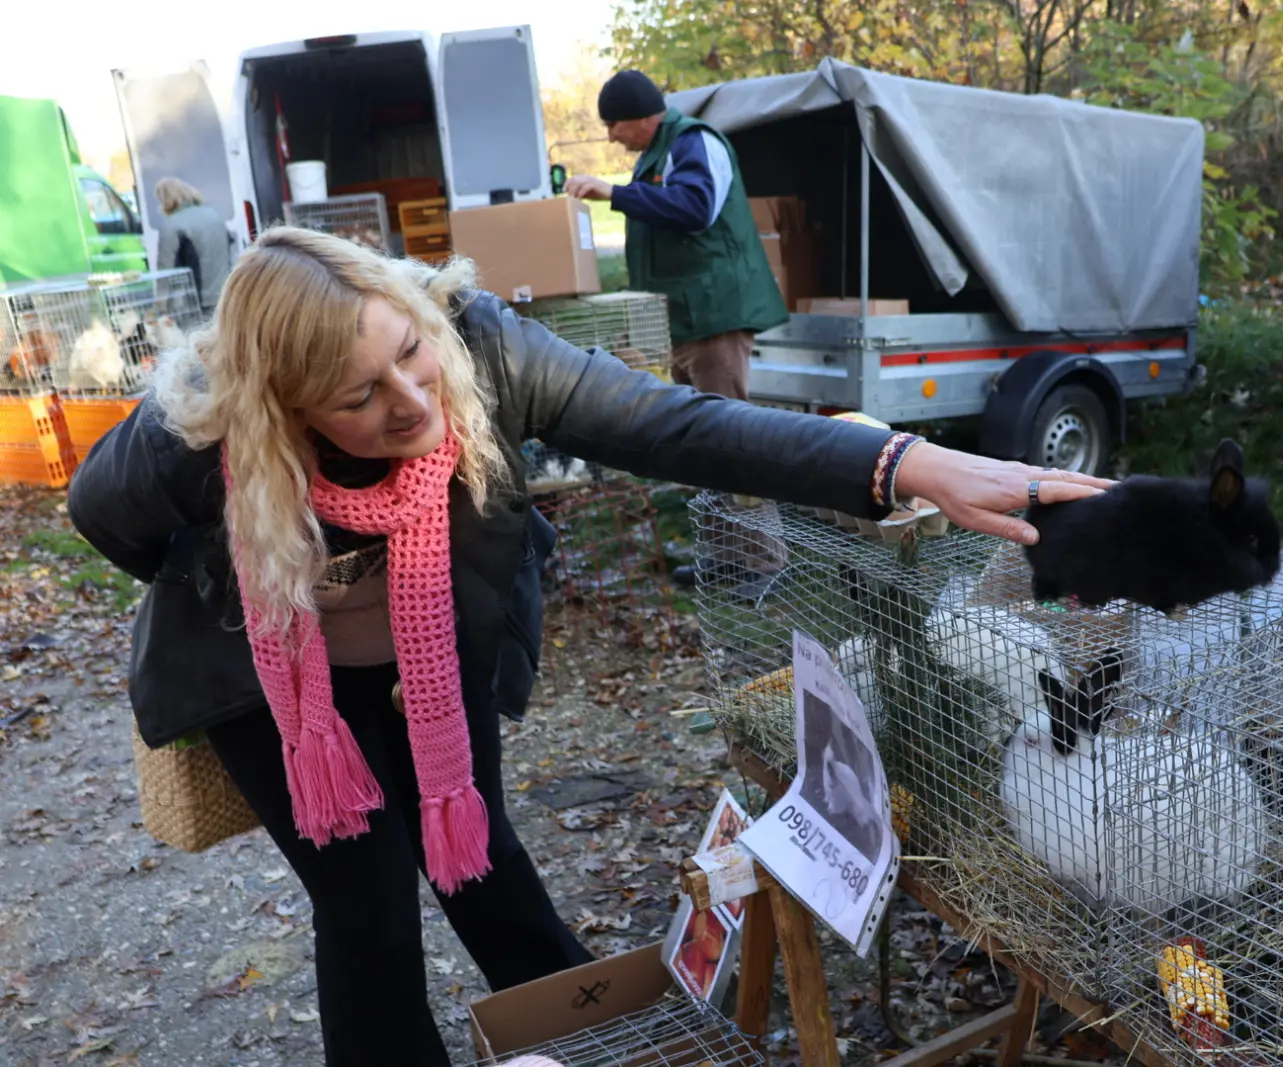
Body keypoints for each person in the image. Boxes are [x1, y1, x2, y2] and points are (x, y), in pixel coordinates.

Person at [67, 226, 1109, 1067]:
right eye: (359, 396)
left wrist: (906, 462)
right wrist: (248, 578)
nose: (414, 401)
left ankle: (589, 1034)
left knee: (478, 854)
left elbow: (681, 426)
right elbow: (104, 518)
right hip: (284, 691)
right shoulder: (199, 428)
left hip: (429, 659)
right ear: (286, 411)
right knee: (366, 904)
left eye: (409, 352)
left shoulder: (485, 348)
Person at [566, 69, 790, 592]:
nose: (611, 137)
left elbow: (695, 208)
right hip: (686, 320)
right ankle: (725, 558)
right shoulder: (657, 153)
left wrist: (615, 193)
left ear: (641, 116)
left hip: (715, 317)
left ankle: (767, 563)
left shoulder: (694, 141)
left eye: (614, 124)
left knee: (732, 439)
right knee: (698, 441)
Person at [154, 177, 231, 313]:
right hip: (225, 292)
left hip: (197, 300)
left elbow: (166, 268)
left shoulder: (172, 225)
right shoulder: (213, 215)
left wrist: (161, 305)